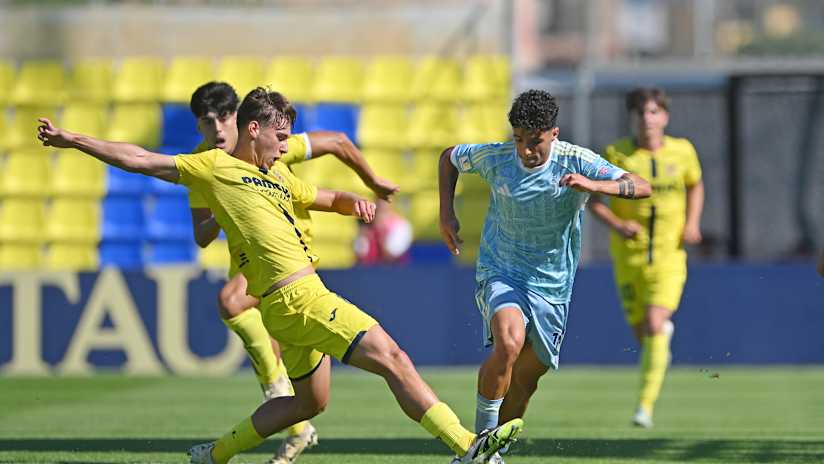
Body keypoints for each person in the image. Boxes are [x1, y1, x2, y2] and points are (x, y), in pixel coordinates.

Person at [37, 87, 523, 464]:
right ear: (253, 129)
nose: (285, 144)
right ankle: (465, 444)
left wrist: (354, 203)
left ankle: (216, 454)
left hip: (290, 304)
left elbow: (321, 197)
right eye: (281, 136)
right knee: (393, 356)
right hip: (299, 300)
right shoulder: (214, 169)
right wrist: (72, 140)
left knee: (307, 403)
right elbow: (140, 158)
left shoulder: (276, 176)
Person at [187, 81, 399, 463]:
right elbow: (202, 236)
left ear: (242, 120)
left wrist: (372, 181)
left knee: (231, 300)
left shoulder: (273, 142)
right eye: (207, 123)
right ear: (198, 126)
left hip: (292, 260)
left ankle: (275, 390)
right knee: (277, 349)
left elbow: (336, 140)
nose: (217, 130)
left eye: (224, 118)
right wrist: (222, 205)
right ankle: (293, 424)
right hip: (254, 265)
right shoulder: (205, 167)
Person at [439, 89, 650, 462]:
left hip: (552, 287)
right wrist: (446, 214)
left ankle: (492, 454)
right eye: (518, 140)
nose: (524, 150)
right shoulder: (497, 158)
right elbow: (449, 158)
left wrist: (595, 186)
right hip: (501, 271)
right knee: (508, 342)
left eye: (533, 141)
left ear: (553, 133)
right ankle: (477, 444)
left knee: (525, 380)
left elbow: (641, 186)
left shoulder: (577, 160)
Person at [588, 87, 704, 428]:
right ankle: (659, 349)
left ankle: (644, 406)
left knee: (654, 323)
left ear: (665, 117)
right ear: (632, 117)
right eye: (641, 113)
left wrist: (693, 222)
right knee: (645, 334)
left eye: (654, 112)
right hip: (628, 258)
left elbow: (695, 184)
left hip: (669, 257)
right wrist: (617, 223)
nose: (647, 120)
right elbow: (593, 198)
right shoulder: (617, 154)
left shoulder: (682, 152)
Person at [354, 199, 413, 265]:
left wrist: (380, 235)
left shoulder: (401, 226)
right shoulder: (366, 228)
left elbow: (391, 256)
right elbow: (361, 256)